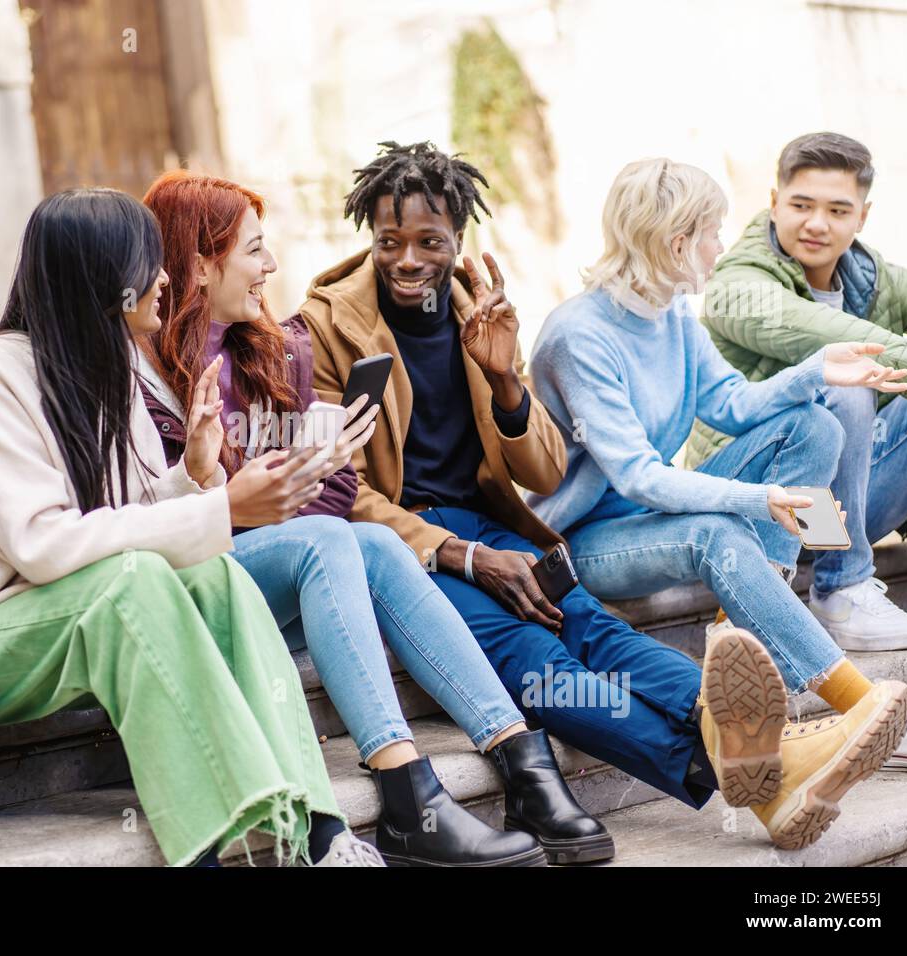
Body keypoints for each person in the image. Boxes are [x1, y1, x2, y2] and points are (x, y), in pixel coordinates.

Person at [299, 140, 845, 850]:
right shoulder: (325, 325)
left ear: (457, 240)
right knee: (542, 666)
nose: (408, 260)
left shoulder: (478, 309)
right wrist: (463, 557)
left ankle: (748, 737)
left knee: (595, 631)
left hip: (499, 527)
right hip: (409, 547)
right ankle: (749, 769)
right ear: (371, 237)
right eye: (390, 241)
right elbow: (343, 490)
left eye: (429, 241)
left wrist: (504, 381)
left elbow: (548, 474)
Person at [0, 188, 382, 867]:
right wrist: (222, 509)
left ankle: (320, 829)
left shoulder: (115, 366)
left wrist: (192, 473)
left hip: (79, 613)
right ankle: (206, 852)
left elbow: (125, 520)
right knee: (136, 581)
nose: (166, 279)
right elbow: (46, 547)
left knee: (213, 572)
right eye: (149, 263)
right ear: (103, 275)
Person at [136, 169, 598, 865]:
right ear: (200, 265)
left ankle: (510, 760)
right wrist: (244, 493)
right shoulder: (142, 372)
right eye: (254, 250)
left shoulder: (274, 351)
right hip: (197, 580)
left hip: (273, 565)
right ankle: (404, 782)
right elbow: (168, 520)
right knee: (325, 540)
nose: (272, 266)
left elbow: (335, 493)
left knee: (375, 542)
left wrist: (290, 479)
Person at [527, 157, 907, 845]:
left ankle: (747, 645)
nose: (720, 245)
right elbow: (639, 476)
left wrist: (814, 372)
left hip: (652, 516)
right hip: (587, 537)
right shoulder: (578, 335)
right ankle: (855, 702)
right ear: (677, 241)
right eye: (711, 231)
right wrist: (761, 498)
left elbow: (731, 404)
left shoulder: (672, 313)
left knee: (816, 423)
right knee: (716, 532)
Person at [692, 132, 907, 662]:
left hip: (838, 511)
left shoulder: (872, 277)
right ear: (774, 203)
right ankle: (841, 591)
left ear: (862, 217)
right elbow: (831, 340)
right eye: (801, 205)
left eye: (837, 209)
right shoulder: (738, 285)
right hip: (752, 506)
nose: (817, 223)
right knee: (843, 376)